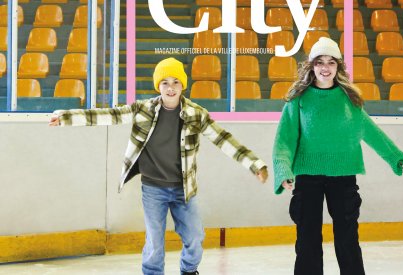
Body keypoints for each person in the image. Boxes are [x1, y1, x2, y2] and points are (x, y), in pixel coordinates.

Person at [49, 57, 269, 275]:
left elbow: (224, 139)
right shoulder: (143, 110)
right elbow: (110, 115)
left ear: (183, 85)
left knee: (194, 236)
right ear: (158, 86)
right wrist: (66, 117)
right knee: (155, 241)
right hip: (153, 188)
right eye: (165, 82)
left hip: (184, 189)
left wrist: (254, 164)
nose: (171, 88)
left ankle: (189, 270)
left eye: (176, 82)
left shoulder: (196, 114)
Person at [272, 37, 403, 275]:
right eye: (319, 62)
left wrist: (393, 156)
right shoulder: (298, 99)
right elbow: (284, 140)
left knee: (347, 239)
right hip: (307, 176)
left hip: (343, 176)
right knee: (307, 239)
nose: (325, 68)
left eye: (331, 62)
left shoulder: (350, 99)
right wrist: (283, 169)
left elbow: (370, 131)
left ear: (338, 67)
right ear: (311, 66)